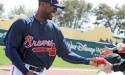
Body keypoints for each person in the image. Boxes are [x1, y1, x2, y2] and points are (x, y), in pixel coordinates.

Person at [4, 0, 98, 75]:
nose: (55, 10)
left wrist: (88, 61)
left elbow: (66, 54)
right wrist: (25, 71)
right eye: (53, 7)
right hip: (22, 70)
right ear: (42, 4)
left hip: (42, 71)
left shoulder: (55, 30)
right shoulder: (23, 23)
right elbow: (10, 49)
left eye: (57, 8)